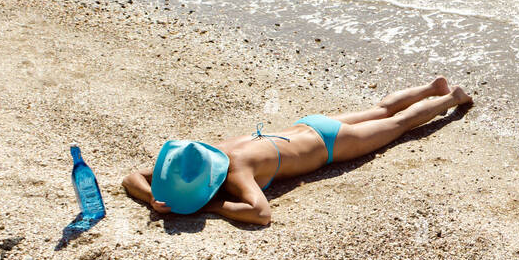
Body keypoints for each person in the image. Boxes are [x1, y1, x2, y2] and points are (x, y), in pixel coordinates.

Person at [122, 77, 471, 225]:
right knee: (381, 110)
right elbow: (131, 177)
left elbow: (260, 214)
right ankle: (430, 87)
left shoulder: (236, 174)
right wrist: (153, 196)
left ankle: (451, 98)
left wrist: (209, 205)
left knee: (398, 126)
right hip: (307, 125)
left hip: (331, 144)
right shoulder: (210, 150)